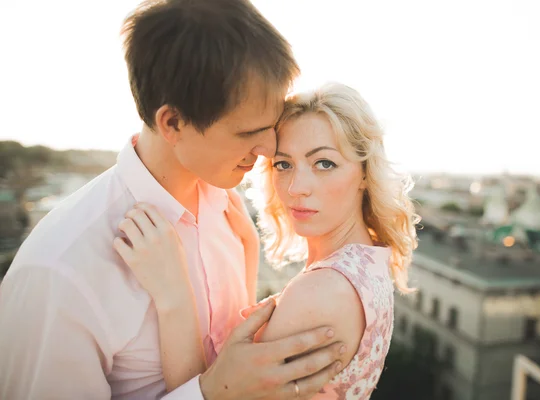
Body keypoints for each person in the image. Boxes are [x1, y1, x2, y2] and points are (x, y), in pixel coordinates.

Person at [0, 1, 346, 399]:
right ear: (173, 123)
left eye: (271, 127)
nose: (269, 149)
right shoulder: (60, 271)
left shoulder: (227, 209)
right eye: (247, 132)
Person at [116, 83, 420, 399]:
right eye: (283, 164)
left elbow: (219, 392)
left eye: (324, 163)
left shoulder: (321, 293)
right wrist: (249, 247)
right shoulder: (368, 259)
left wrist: (173, 296)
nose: (295, 188)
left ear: (365, 174)